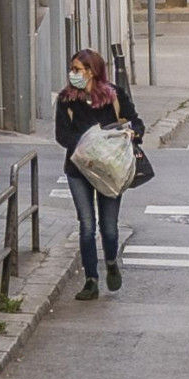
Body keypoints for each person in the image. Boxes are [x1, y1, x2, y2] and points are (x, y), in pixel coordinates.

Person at [53, 47, 142, 298]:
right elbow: (62, 135)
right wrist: (87, 148)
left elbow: (135, 121)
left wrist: (133, 133)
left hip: (110, 169)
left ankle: (111, 262)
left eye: (77, 70)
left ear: (92, 72)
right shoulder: (66, 100)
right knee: (87, 225)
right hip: (79, 169)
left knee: (110, 228)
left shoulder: (114, 95)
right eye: (72, 69)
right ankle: (91, 280)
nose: (73, 74)